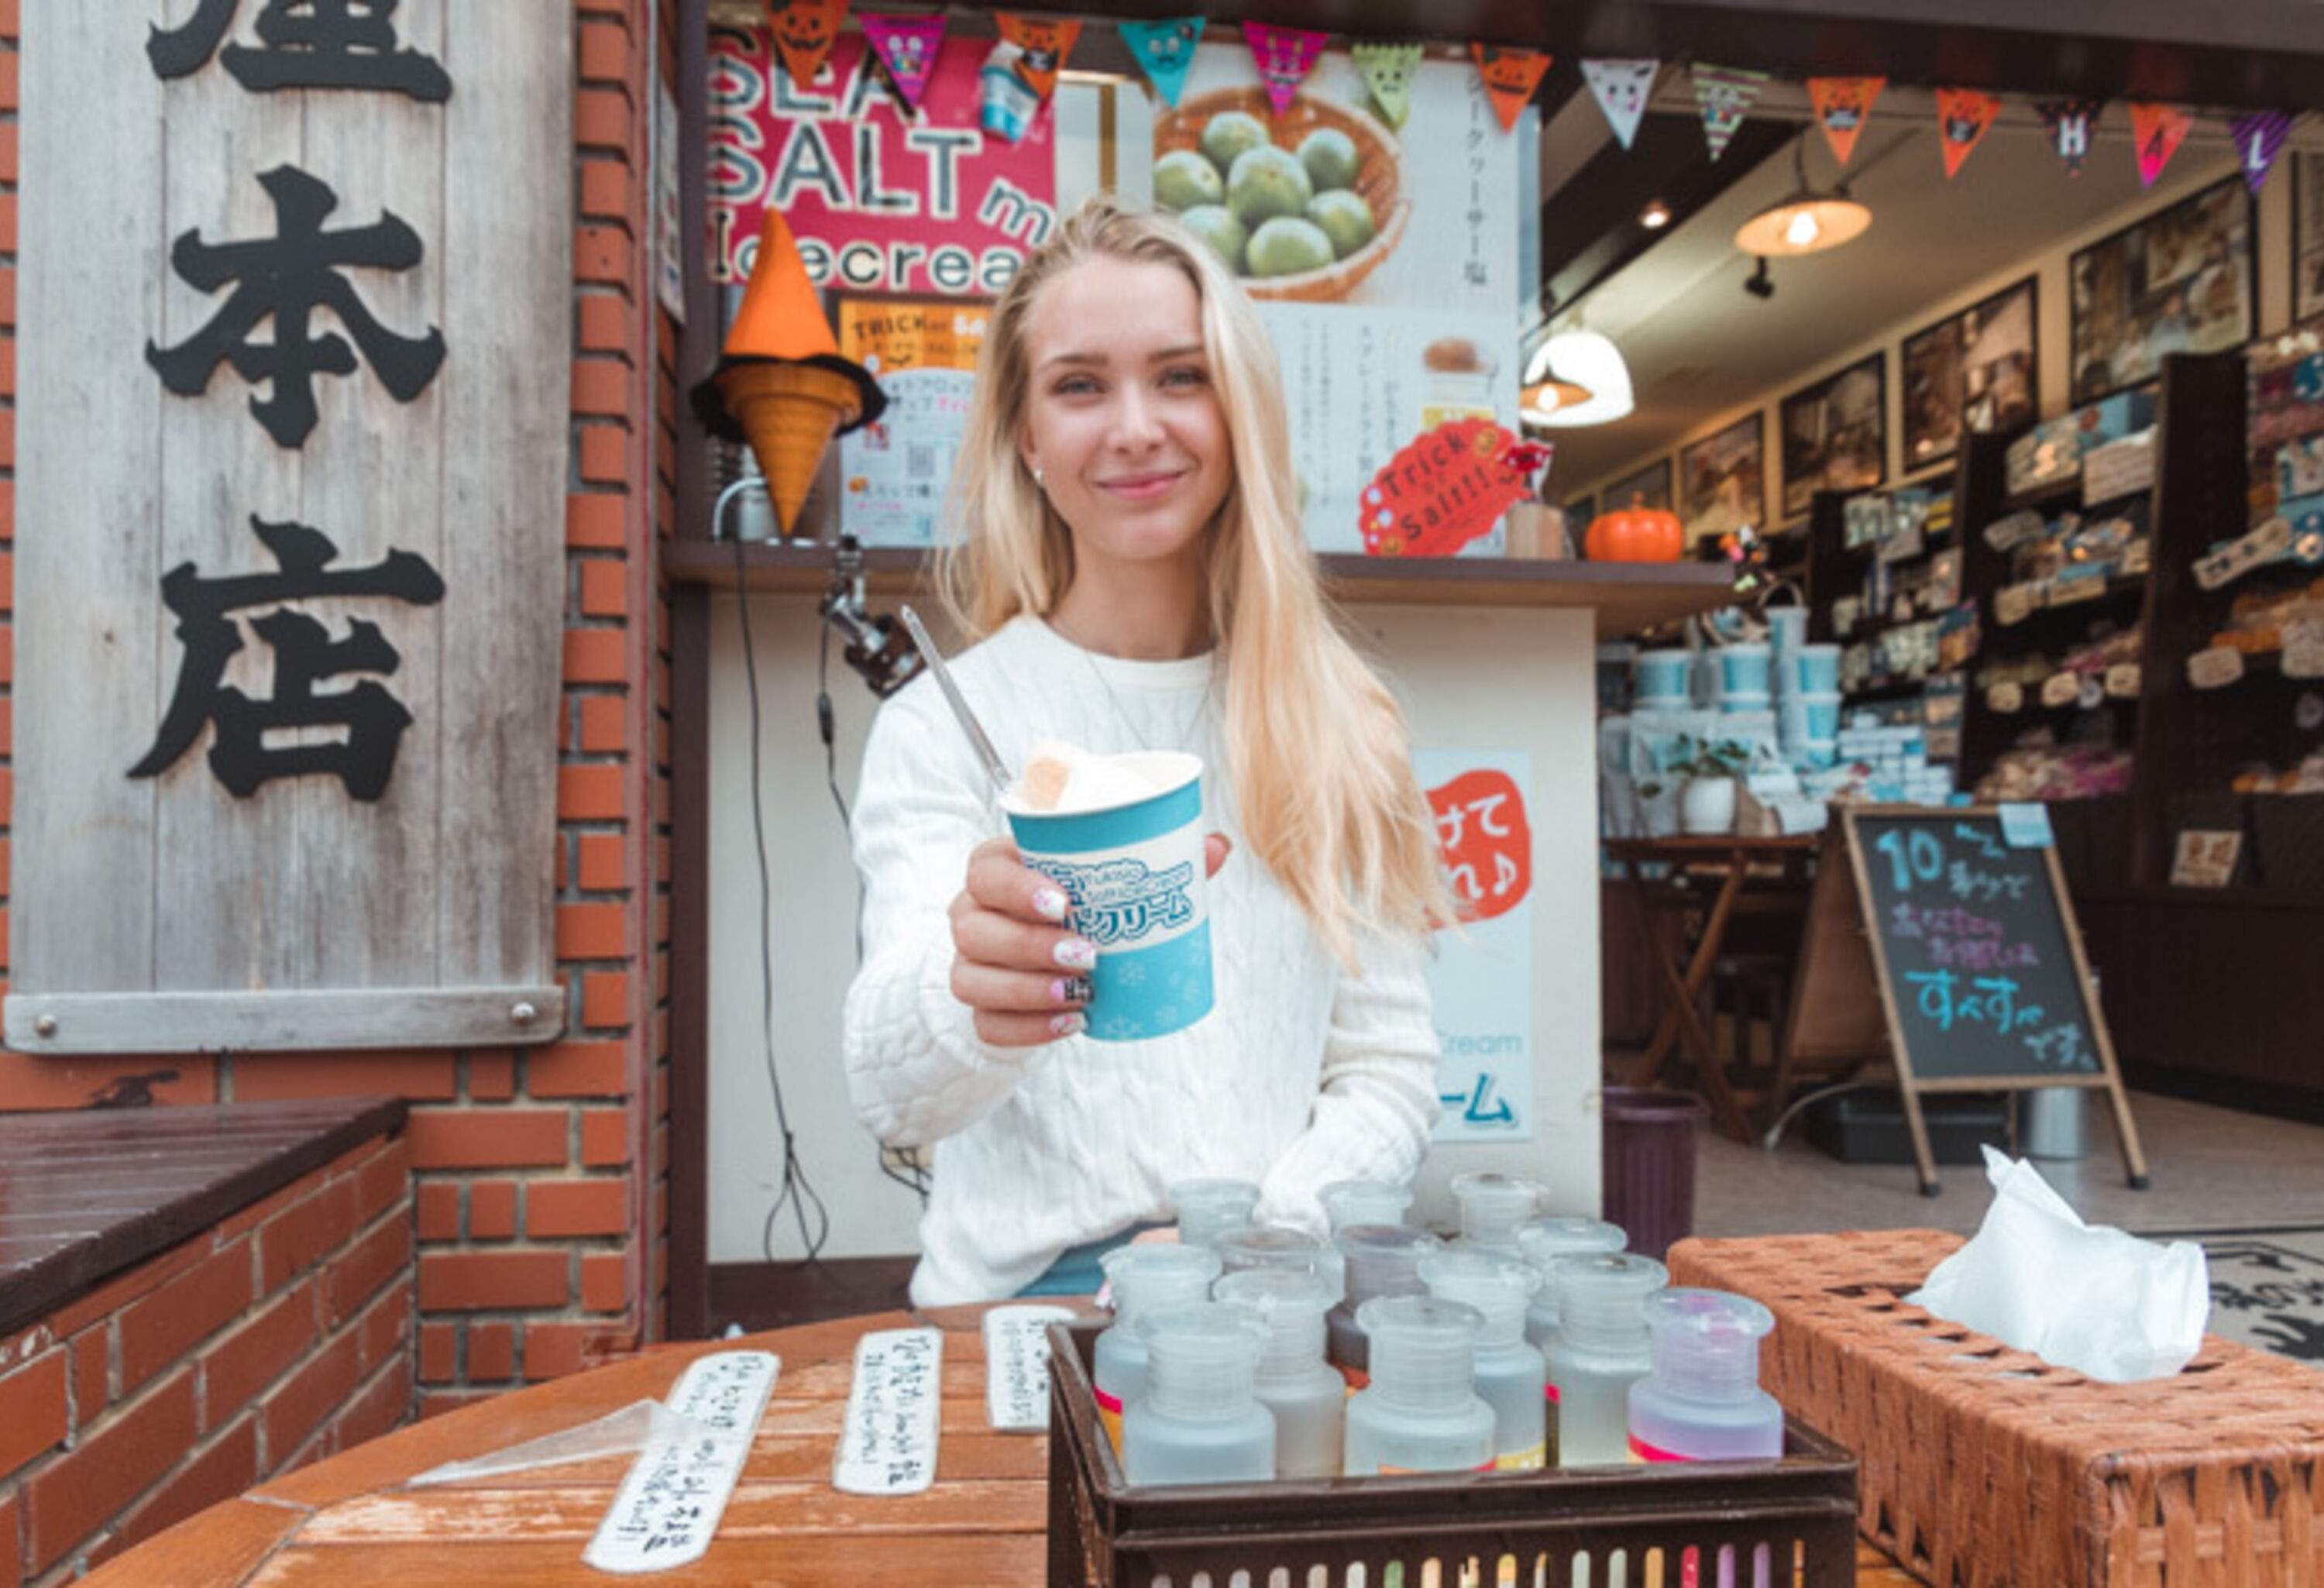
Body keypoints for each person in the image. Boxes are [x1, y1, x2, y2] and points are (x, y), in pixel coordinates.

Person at [840, 198, 1456, 1307]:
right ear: (1026, 436)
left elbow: (1389, 1071)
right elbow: (894, 1091)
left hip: (1274, 1287)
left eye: (1181, 375)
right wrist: (967, 989)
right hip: (1022, 1314)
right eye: (1080, 385)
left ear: (1241, 411)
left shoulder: (1342, 718)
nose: (1135, 426)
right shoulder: (944, 722)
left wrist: (1253, 1240)